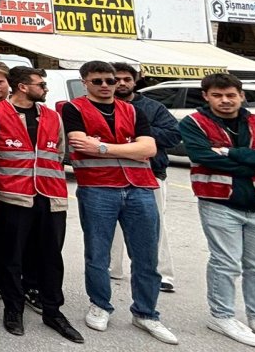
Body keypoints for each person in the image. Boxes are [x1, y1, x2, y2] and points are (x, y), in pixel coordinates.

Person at [63, 61, 176, 345]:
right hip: (98, 187)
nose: (105, 86)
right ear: (85, 82)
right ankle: (100, 305)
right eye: (98, 81)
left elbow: (149, 148)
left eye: (110, 81)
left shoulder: (134, 110)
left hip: (140, 187)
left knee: (146, 255)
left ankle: (147, 313)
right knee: (98, 253)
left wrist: (102, 146)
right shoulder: (73, 108)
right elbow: (79, 143)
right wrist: (130, 149)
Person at [0, 66, 80, 342]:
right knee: (10, 257)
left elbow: (58, 152)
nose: (45, 89)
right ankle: (14, 309)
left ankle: (53, 311)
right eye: (41, 84)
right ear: (23, 86)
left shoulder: (52, 116)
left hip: (51, 197)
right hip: (12, 198)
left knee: (51, 256)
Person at [179, 73, 255, 348]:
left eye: (231, 95)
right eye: (218, 95)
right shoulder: (194, 123)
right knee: (226, 263)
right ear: (206, 96)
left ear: (241, 96)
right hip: (219, 203)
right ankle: (222, 316)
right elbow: (202, 157)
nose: (225, 100)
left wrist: (230, 153)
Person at [109, 62, 180, 292]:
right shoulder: (101, 106)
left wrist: (139, 132)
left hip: (150, 174)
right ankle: (112, 268)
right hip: (110, 172)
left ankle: (162, 274)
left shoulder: (152, 107)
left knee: (154, 224)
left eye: (126, 79)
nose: (120, 83)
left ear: (135, 80)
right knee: (111, 226)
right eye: (115, 79)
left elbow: (173, 135)